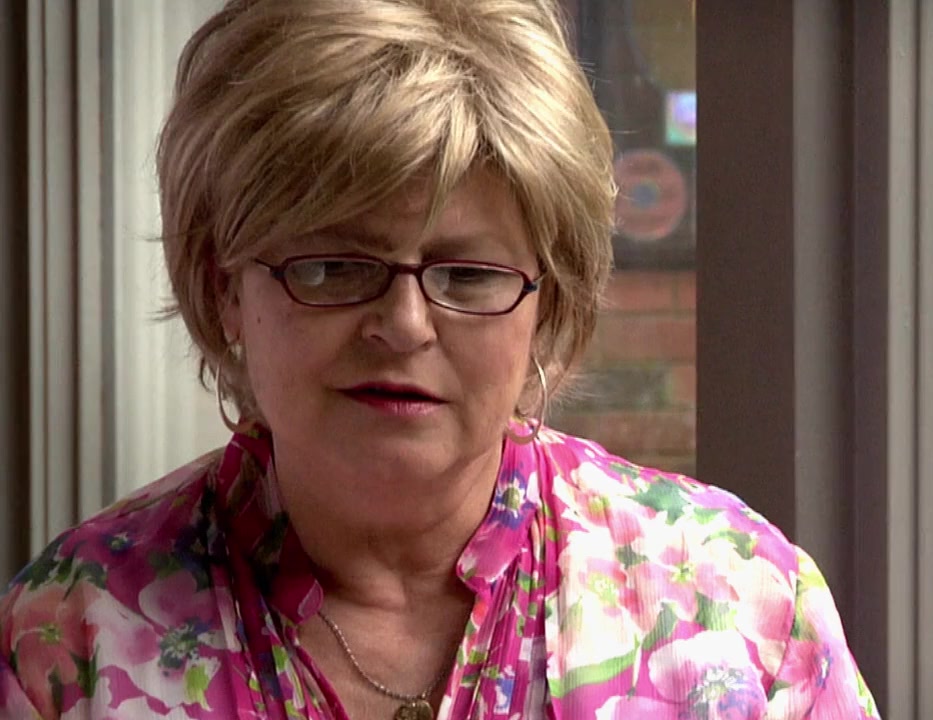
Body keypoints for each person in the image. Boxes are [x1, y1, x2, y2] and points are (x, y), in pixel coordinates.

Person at [0, 1, 881, 718]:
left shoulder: (739, 608)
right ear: (222, 285)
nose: (404, 324)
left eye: (469, 274)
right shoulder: (68, 638)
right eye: (334, 266)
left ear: (548, 304)